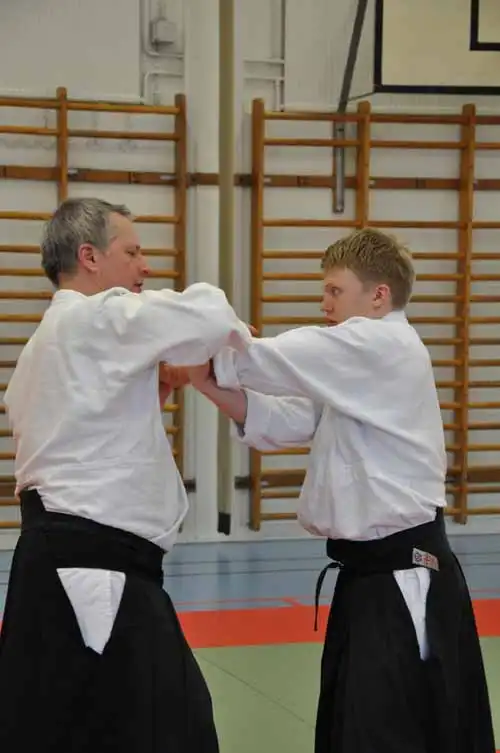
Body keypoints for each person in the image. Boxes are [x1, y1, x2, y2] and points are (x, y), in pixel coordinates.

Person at [184, 228, 495, 753]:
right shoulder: (359, 368)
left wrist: (216, 341)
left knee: (392, 731)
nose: (324, 302)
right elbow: (288, 419)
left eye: (334, 290)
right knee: (357, 726)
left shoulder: (380, 343)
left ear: (379, 296)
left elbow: (275, 359)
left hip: (402, 577)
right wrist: (209, 382)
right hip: (371, 576)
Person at [0, 197, 252, 753]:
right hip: (96, 572)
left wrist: (151, 389)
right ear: (89, 257)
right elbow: (210, 316)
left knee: (76, 727)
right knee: (166, 730)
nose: (146, 267)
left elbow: (83, 433)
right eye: (133, 252)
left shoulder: (47, 345)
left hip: (64, 564)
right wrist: (219, 326)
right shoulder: (99, 316)